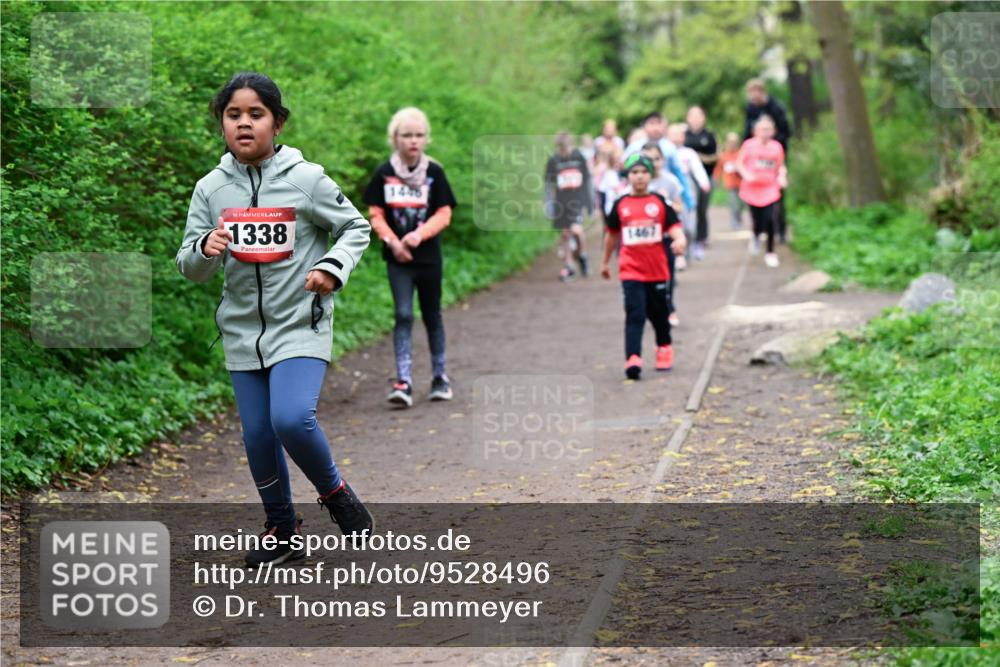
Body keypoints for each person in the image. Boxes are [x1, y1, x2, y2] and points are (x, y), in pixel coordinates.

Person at [176, 72, 374, 568]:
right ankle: (282, 531)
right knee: (259, 436)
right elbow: (189, 266)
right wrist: (204, 248)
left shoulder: (305, 179)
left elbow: (355, 227)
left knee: (290, 419)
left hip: (300, 323)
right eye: (233, 115)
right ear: (221, 124)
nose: (244, 123)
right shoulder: (211, 189)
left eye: (256, 114)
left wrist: (332, 267)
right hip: (242, 332)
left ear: (277, 123)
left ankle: (335, 493)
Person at [363, 107, 458, 408]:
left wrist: (419, 235)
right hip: (398, 260)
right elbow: (375, 214)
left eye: (419, 135)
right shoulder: (384, 173)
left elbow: (444, 213)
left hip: (429, 259)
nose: (413, 140)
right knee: (403, 314)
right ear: (395, 138)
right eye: (407, 135)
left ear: (426, 139)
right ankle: (403, 381)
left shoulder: (435, 173)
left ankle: (440, 377)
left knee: (432, 315)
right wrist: (393, 242)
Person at [601, 154, 687, 380]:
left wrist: (680, 240)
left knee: (659, 315)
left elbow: (674, 228)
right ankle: (633, 358)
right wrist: (605, 261)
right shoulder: (620, 204)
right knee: (635, 313)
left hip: (656, 269)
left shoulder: (659, 202)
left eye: (643, 172)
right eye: (634, 172)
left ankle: (664, 346)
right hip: (630, 269)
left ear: (651, 175)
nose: (639, 176)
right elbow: (611, 235)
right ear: (627, 176)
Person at [743, 78, 792, 242]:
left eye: (756, 93)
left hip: (774, 157)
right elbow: (747, 132)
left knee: (776, 196)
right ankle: (760, 230)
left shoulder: (776, 107)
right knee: (754, 197)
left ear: (762, 92)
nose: (753, 97)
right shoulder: (750, 108)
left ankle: (780, 230)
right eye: (751, 93)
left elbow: (786, 132)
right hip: (754, 158)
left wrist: (769, 144)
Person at [642, 142, 684, 328]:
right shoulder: (639, 181)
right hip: (645, 239)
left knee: (668, 274)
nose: (653, 163)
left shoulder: (670, 181)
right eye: (648, 159)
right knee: (647, 276)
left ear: (663, 160)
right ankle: (649, 308)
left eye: (657, 158)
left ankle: (670, 308)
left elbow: (679, 206)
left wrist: (665, 207)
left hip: (666, 236)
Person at [737, 115, 787, 268]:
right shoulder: (748, 145)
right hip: (752, 189)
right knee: (757, 219)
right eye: (762, 129)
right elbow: (740, 164)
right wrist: (747, 175)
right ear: (756, 131)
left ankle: (770, 252)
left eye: (768, 129)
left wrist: (782, 176)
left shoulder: (777, 147)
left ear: (773, 131)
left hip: (770, 188)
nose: (765, 132)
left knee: (770, 219)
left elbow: (780, 166)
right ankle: (756, 235)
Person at [623, 112, 695, 215]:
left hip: (666, 191)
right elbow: (624, 171)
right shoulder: (634, 147)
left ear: (664, 127)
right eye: (651, 123)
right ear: (644, 126)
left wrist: (688, 200)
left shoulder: (670, 147)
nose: (655, 128)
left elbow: (678, 173)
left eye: (658, 123)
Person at [544, 131, 593, 281]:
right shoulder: (553, 160)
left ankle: (582, 254)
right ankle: (569, 265)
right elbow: (548, 184)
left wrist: (590, 202)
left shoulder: (579, 157)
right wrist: (548, 203)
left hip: (577, 200)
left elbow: (587, 180)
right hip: (561, 201)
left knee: (577, 230)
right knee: (565, 234)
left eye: (566, 148)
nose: (564, 151)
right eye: (561, 148)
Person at [666, 123, 711, 262]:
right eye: (672, 135)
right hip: (669, 190)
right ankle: (678, 254)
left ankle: (690, 246)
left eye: (678, 135)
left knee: (689, 224)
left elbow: (697, 169)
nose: (675, 138)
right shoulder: (664, 151)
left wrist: (704, 182)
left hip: (687, 190)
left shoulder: (689, 153)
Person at [684, 106, 718, 257]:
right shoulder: (683, 135)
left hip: (705, 178)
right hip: (687, 178)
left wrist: (696, 158)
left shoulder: (709, 136)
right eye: (692, 116)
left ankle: (702, 237)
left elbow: (715, 157)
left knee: (702, 209)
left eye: (699, 115)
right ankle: (689, 237)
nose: (696, 119)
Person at [714, 132, 744, 229]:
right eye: (730, 142)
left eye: (734, 142)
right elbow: (718, 169)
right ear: (727, 143)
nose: (732, 144)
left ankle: (738, 216)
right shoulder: (723, 156)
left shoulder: (741, 154)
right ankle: (734, 221)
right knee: (733, 203)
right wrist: (716, 180)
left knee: (742, 203)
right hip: (730, 183)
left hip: (741, 183)